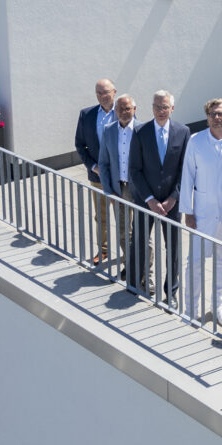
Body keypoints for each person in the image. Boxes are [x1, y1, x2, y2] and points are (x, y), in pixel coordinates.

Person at [181, 98, 222, 326]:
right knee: (196, 261)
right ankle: (191, 308)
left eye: (220, 114)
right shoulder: (196, 141)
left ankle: (219, 306)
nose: (216, 118)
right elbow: (187, 175)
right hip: (202, 212)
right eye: (212, 114)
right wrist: (187, 211)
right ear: (207, 117)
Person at [128, 90, 190, 307]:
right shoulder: (140, 131)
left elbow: (185, 169)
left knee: (172, 248)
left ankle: (171, 292)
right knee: (139, 242)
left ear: (172, 108)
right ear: (151, 107)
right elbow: (134, 170)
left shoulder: (183, 132)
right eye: (157, 107)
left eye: (165, 107)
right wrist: (150, 199)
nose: (161, 111)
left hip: (172, 203)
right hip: (147, 202)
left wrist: (174, 198)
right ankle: (134, 283)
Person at [98, 94, 150, 283]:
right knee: (122, 232)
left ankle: (146, 273)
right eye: (120, 109)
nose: (123, 112)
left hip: (139, 189)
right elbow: (103, 163)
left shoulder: (144, 130)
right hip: (118, 189)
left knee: (143, 233)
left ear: (135, 110)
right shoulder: (108, 130)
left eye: (127, 108)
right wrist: (107, 190)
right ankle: (130, 266)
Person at [74, 79, 117, 265]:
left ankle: (130, 252)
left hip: (121, 178)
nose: (102, 96)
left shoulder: (124, 112)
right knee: (101, 216)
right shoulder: (87, 115)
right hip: (98, 176)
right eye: (98, 93)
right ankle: (104, 250)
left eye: (105, 92)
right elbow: (80, 144)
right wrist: (93, 167)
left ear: (114, 92)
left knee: (125, 217)